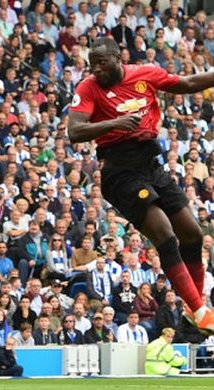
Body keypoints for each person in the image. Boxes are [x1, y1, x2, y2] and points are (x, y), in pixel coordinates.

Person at [67, 37, 214, 336]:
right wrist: (114, 124)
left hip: (151, 165)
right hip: (120, 172)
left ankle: (192, 307)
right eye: (92, 63)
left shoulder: (144, 73)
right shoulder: (88, 87)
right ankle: (200, 311)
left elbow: (186, 83)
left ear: (117, 57)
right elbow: (74, 131)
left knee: (193, 233)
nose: (96, 69)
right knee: (165, 234)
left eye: (101, 62)